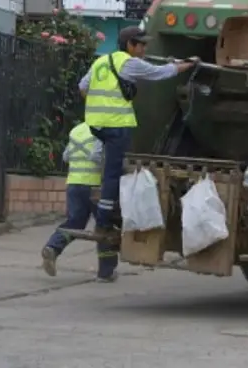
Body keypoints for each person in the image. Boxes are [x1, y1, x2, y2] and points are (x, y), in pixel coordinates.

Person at [79, 25, 199, 282]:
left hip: (97, 124)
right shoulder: (129, 64)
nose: (144, 49)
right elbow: (159, 73)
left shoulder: (102, 61)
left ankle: (107, 217)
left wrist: (100, 105)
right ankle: (105, 218)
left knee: (109, 170)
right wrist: (188, 64)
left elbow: (83, 86)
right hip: (116, 125)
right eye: (141, 44)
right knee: (113, 174)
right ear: (130, 45)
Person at [40, 120, 103, 278]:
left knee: (74, 223)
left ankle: (52, 247)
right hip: (94, 186)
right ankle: (106, 270)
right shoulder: (101, 130)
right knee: (104, 227)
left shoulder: (76, 130)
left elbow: (66, 156)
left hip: (74, 183)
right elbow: (96, 156)